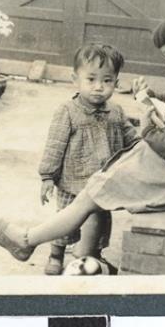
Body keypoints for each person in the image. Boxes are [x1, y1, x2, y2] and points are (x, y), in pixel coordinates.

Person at [0, 5, 165, 263]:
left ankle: (28, 241)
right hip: (162, 171)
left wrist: (146, 127)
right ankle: (77, 252)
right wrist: (148, 96)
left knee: (91, 195)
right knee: (93, 191)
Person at [37, 43, 138, 274]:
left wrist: (144, 143)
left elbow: (131, 137)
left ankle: (94, 254)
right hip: (73, 181)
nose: (98, 87)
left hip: (103, 182)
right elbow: (55, 145)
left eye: (107, 80)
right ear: (76, 79)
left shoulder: (116, 112)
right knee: (65, 220)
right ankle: (56, 254)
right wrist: (47, 176)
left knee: (101, 221)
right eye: (91, 79)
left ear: (116, 83)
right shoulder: (68, 111)